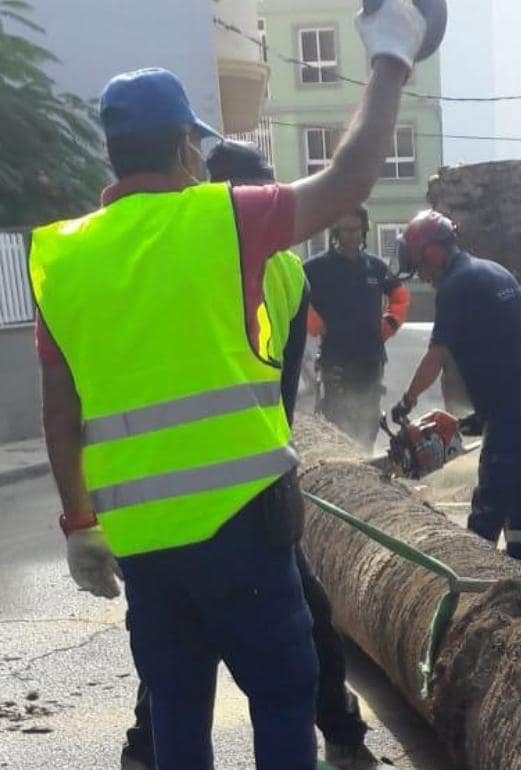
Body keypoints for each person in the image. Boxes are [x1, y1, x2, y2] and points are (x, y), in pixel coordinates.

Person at [31, 4, 428, 768]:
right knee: (282, 696)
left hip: (142, 541)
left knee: (177, 706)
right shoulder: (226, 220)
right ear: (186, 147)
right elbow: (348, 181)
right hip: (242, 529)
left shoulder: (61, 256)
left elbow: (59, 405)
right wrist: (390, 57)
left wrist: (78, 524)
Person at [118, 140, 374, 770]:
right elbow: (278, 399)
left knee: (176, 661)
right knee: (297, 644)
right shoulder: (284, 274)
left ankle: (142, 749)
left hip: (154, 508)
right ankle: (341, 731)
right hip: (244, 509)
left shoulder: (151, 268)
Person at [393, 211, 521, 564]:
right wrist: (478, 416)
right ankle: (520, 568)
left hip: (514, 399)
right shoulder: (491, 270)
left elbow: (436, 356)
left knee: (492, 494)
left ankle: (474, 577)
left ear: (434, 252)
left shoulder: (456, 286)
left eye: (420, 266)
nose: (422, 276)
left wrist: (407, 401)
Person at [306, 208, 411, 450]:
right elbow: (293, 294)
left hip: (371, 360)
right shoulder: (317, 268)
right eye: (346, 230)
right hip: (336, 361)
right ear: (336, 232)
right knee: (337, 421)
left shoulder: (375, 267)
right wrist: (313, 322)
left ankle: (366, 463)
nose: (352, 235)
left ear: (364, 231)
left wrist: (389, 324)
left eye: (356, 229)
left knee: (369, 418)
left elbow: (400, 296)